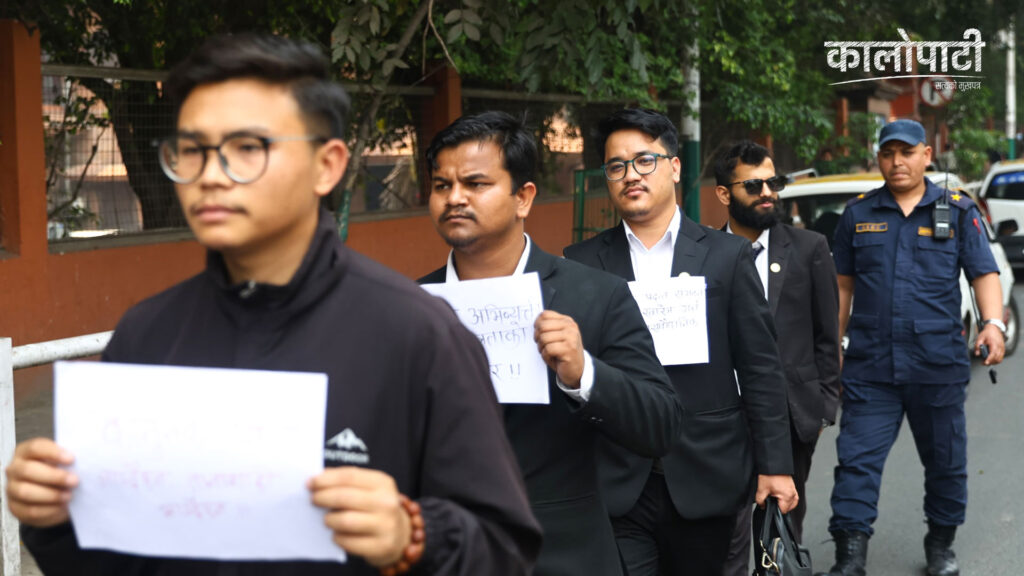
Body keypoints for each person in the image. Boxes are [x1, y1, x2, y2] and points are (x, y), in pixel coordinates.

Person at [4, 34, 542, 576]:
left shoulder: (419, 335)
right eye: (192, 150)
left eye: (247, 147)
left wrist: (413, 537)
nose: (211, 174)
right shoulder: (147, 334)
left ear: (326, 165)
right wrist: (56, 518)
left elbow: (504, 551)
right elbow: (117, 559)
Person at [419, 111, 683, 576]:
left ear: (523, 197)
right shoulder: (411, 307)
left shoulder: (595, 295)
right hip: (449, 553)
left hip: (566, 554)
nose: (455, 197)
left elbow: (661, 425)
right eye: (442, 185)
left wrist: (584, 374)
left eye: (476, 184)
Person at [563, 108, 796, 576]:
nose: (631, 175)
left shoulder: (727, 255)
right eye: (617, 166)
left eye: (644, 161)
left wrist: (775, 465)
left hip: (706, 473)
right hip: (617, 477)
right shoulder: (581, 263)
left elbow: (760, 368)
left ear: (674, 167)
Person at [819, 119, 1005, 576]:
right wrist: (832, 345)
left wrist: (993, 324)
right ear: (878, 158)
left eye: (906, 152)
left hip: (937, 365)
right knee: (856, 463)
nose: (897, 162)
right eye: (888, 153)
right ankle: (849, 557)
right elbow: (842, 286)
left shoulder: (957, 211)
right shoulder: (858, 214)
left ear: (926, 155)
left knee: (945, 464)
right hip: (870, 367)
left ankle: (941, 545)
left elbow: (983, 273)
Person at [713, 141, 841, 576]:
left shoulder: (809, 247)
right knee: (726, 531)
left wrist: (823, 407)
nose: (767, 192)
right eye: (753, 185)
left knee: (781, 528)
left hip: (792, 415)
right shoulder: (705, 252)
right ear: (724, 193)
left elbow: (827, 335)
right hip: (723, 417)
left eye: (774, 182)